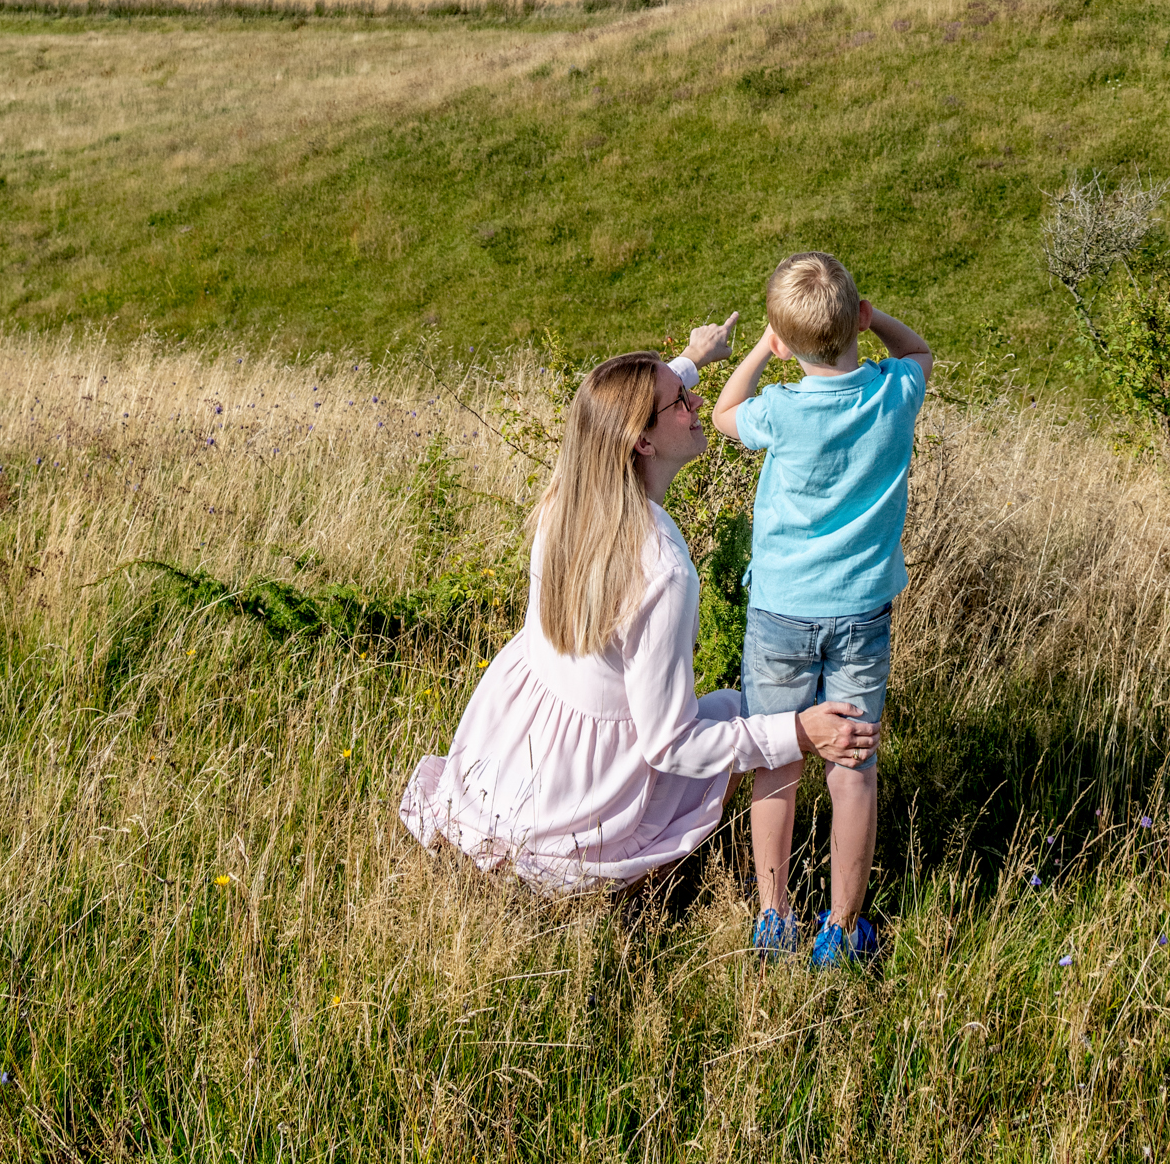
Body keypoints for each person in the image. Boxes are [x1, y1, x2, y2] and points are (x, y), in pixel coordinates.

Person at [399, 315, 877, 895]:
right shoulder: (663, 572)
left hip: (514, 756)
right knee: (734, 711)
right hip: (583, 796)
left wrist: (692, 359)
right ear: (643, 442)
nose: (698, 402)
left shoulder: (567, 497)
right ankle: (639, 889)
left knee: (726, 715)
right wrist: (797, 732)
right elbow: (670, 744)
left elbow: (604, 420)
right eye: (682, 401)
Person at [710, 252, 932, 966]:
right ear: (858, 322)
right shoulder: (895, 391)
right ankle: (840, 927)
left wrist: (759, 348)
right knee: (853, 765)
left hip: (780, 610)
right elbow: (919, 349)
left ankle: (773, 916)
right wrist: (875, 320)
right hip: (863, 610)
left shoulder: (778, 409)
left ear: (784, 342)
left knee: (777, 759)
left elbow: (723, 414)